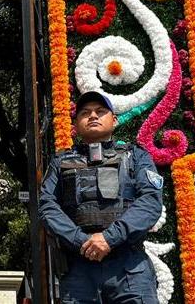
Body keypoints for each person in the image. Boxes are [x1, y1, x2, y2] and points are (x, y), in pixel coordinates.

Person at [39, 91, 164, 303]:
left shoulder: (136, 156)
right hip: (78, 267)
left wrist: (109, 238)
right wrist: (82, 241)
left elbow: (150, 202)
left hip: (129, 268)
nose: (93, 116)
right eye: (85, 113)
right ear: (76, 124)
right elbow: (46, 206)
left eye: (100, 111)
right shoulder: (60, 162)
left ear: (114, 120)